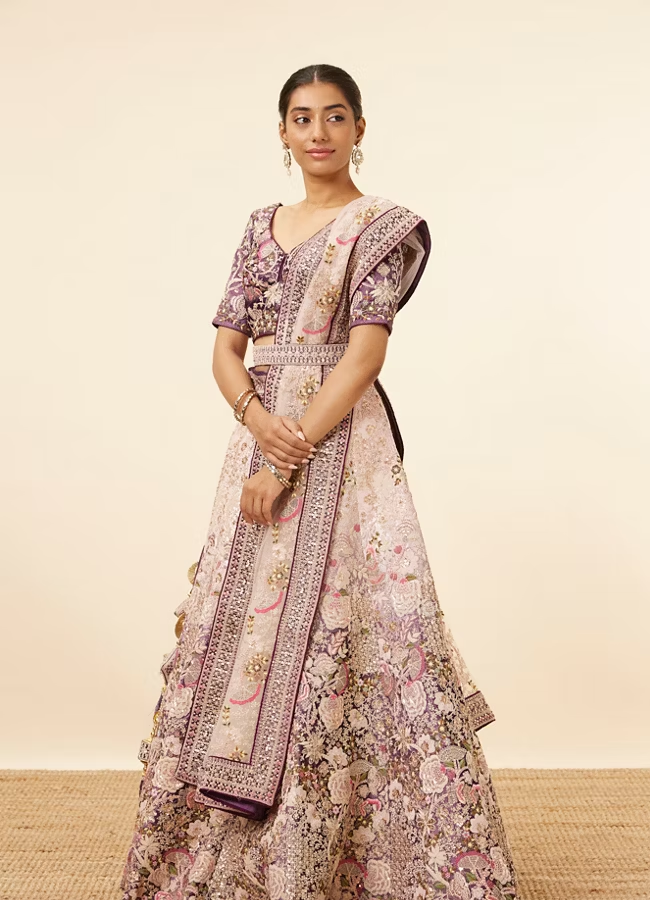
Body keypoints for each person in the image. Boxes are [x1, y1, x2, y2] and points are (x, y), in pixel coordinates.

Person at [120, 63, 521, 900]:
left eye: (335, 116)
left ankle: (368, 858)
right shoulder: (259, 227)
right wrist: (252, 418)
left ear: (359, 128)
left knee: (354, 624)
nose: (318, 132)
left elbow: (365, 355)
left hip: (340, 449)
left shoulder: (379, 227)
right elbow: (226, 348)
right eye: (302, 118)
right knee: (245, 631)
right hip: (261, 431)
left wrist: (283, 456)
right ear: (282, 133)